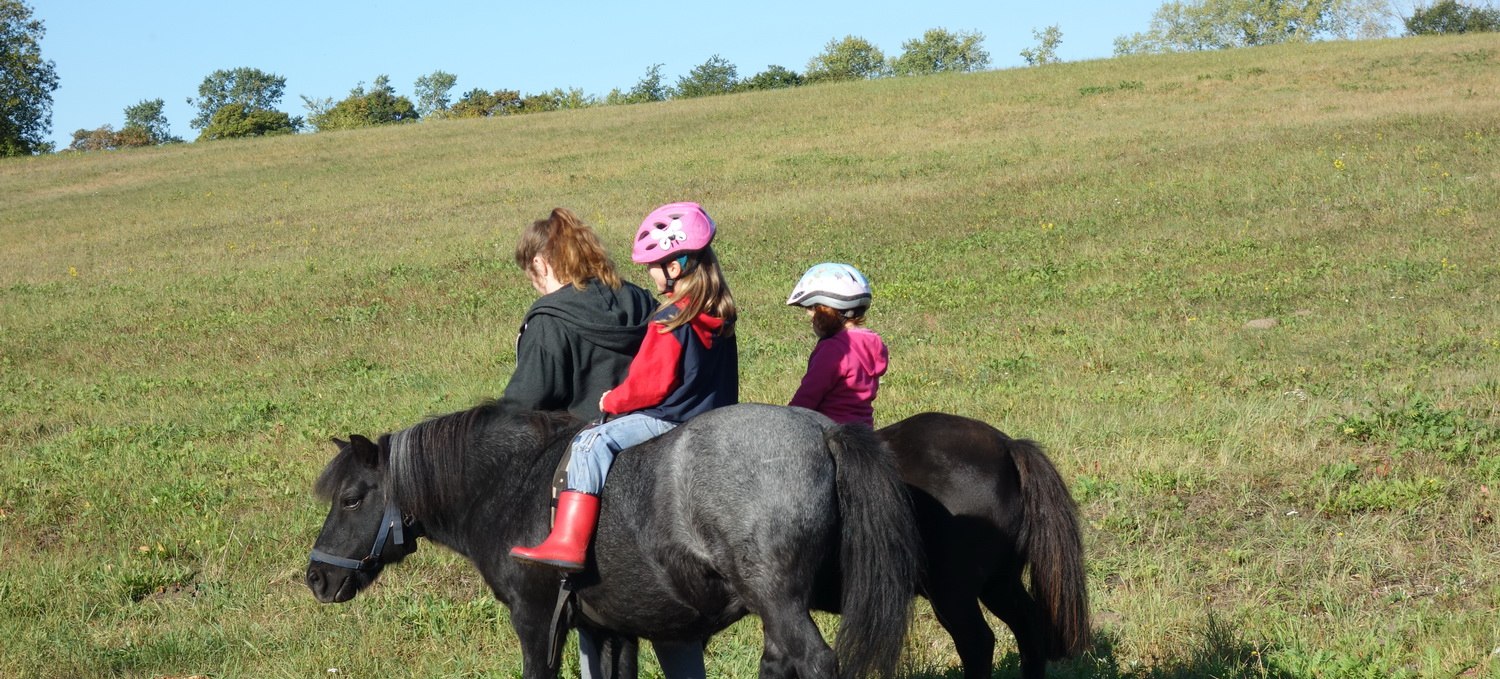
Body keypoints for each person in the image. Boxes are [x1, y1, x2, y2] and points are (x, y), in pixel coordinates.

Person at [510, 201, 738, 679]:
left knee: (589, 445)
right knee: (669, 593)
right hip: (703, 427)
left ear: (543, 264)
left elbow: (650, 382)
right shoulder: (678, 307)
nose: (651, 275)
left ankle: (566, 542)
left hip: (655, 420)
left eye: (656, 267)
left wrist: (612, 402)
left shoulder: (663, 317)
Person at [500, 207, 655, 421]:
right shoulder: (639, 297)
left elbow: (523, 404)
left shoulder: (549, 322)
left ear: (540, 264)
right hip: (656, 419)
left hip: (590, 438)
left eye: (531, 278)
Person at [785, 262, 887, 427]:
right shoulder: (872, 343)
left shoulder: (833, 350)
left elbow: (809, 396)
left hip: (831, 433)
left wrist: (787, 420)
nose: (808, 316)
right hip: (863, 433)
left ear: (828, 310)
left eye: (812, 308)